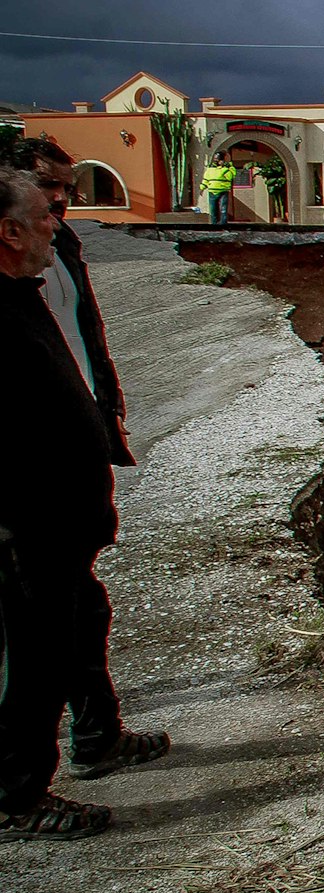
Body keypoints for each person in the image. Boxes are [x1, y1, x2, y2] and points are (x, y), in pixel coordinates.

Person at [12, 138, 168, 783]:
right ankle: (19, 787)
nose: (61, 206)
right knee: (36, 638)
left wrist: (103, 416)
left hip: (72, 471)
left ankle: (98, 732)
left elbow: (80, 343)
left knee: (80, 610)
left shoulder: (54, 255)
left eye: (69, 192)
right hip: (29, 492)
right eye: (49, 190)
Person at [0, 166, 119, 840]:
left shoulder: (22, 293)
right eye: (45, 213)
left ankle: (97, 739)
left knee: (74, 631)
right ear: (9, 231)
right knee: (32, 661)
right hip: (28, 526)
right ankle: (16, 795)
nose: (57, 222)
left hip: (62, 522)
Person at [199, 150, 235, 226]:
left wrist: (202, 188)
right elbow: (231, 176)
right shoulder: (224, 169)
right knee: (220, 209)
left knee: (218, 209)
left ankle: (218, 224)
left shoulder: (210, 169)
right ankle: (218, 224)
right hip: (221, 190)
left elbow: (206, 179)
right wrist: (229, 166)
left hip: (216, 190)